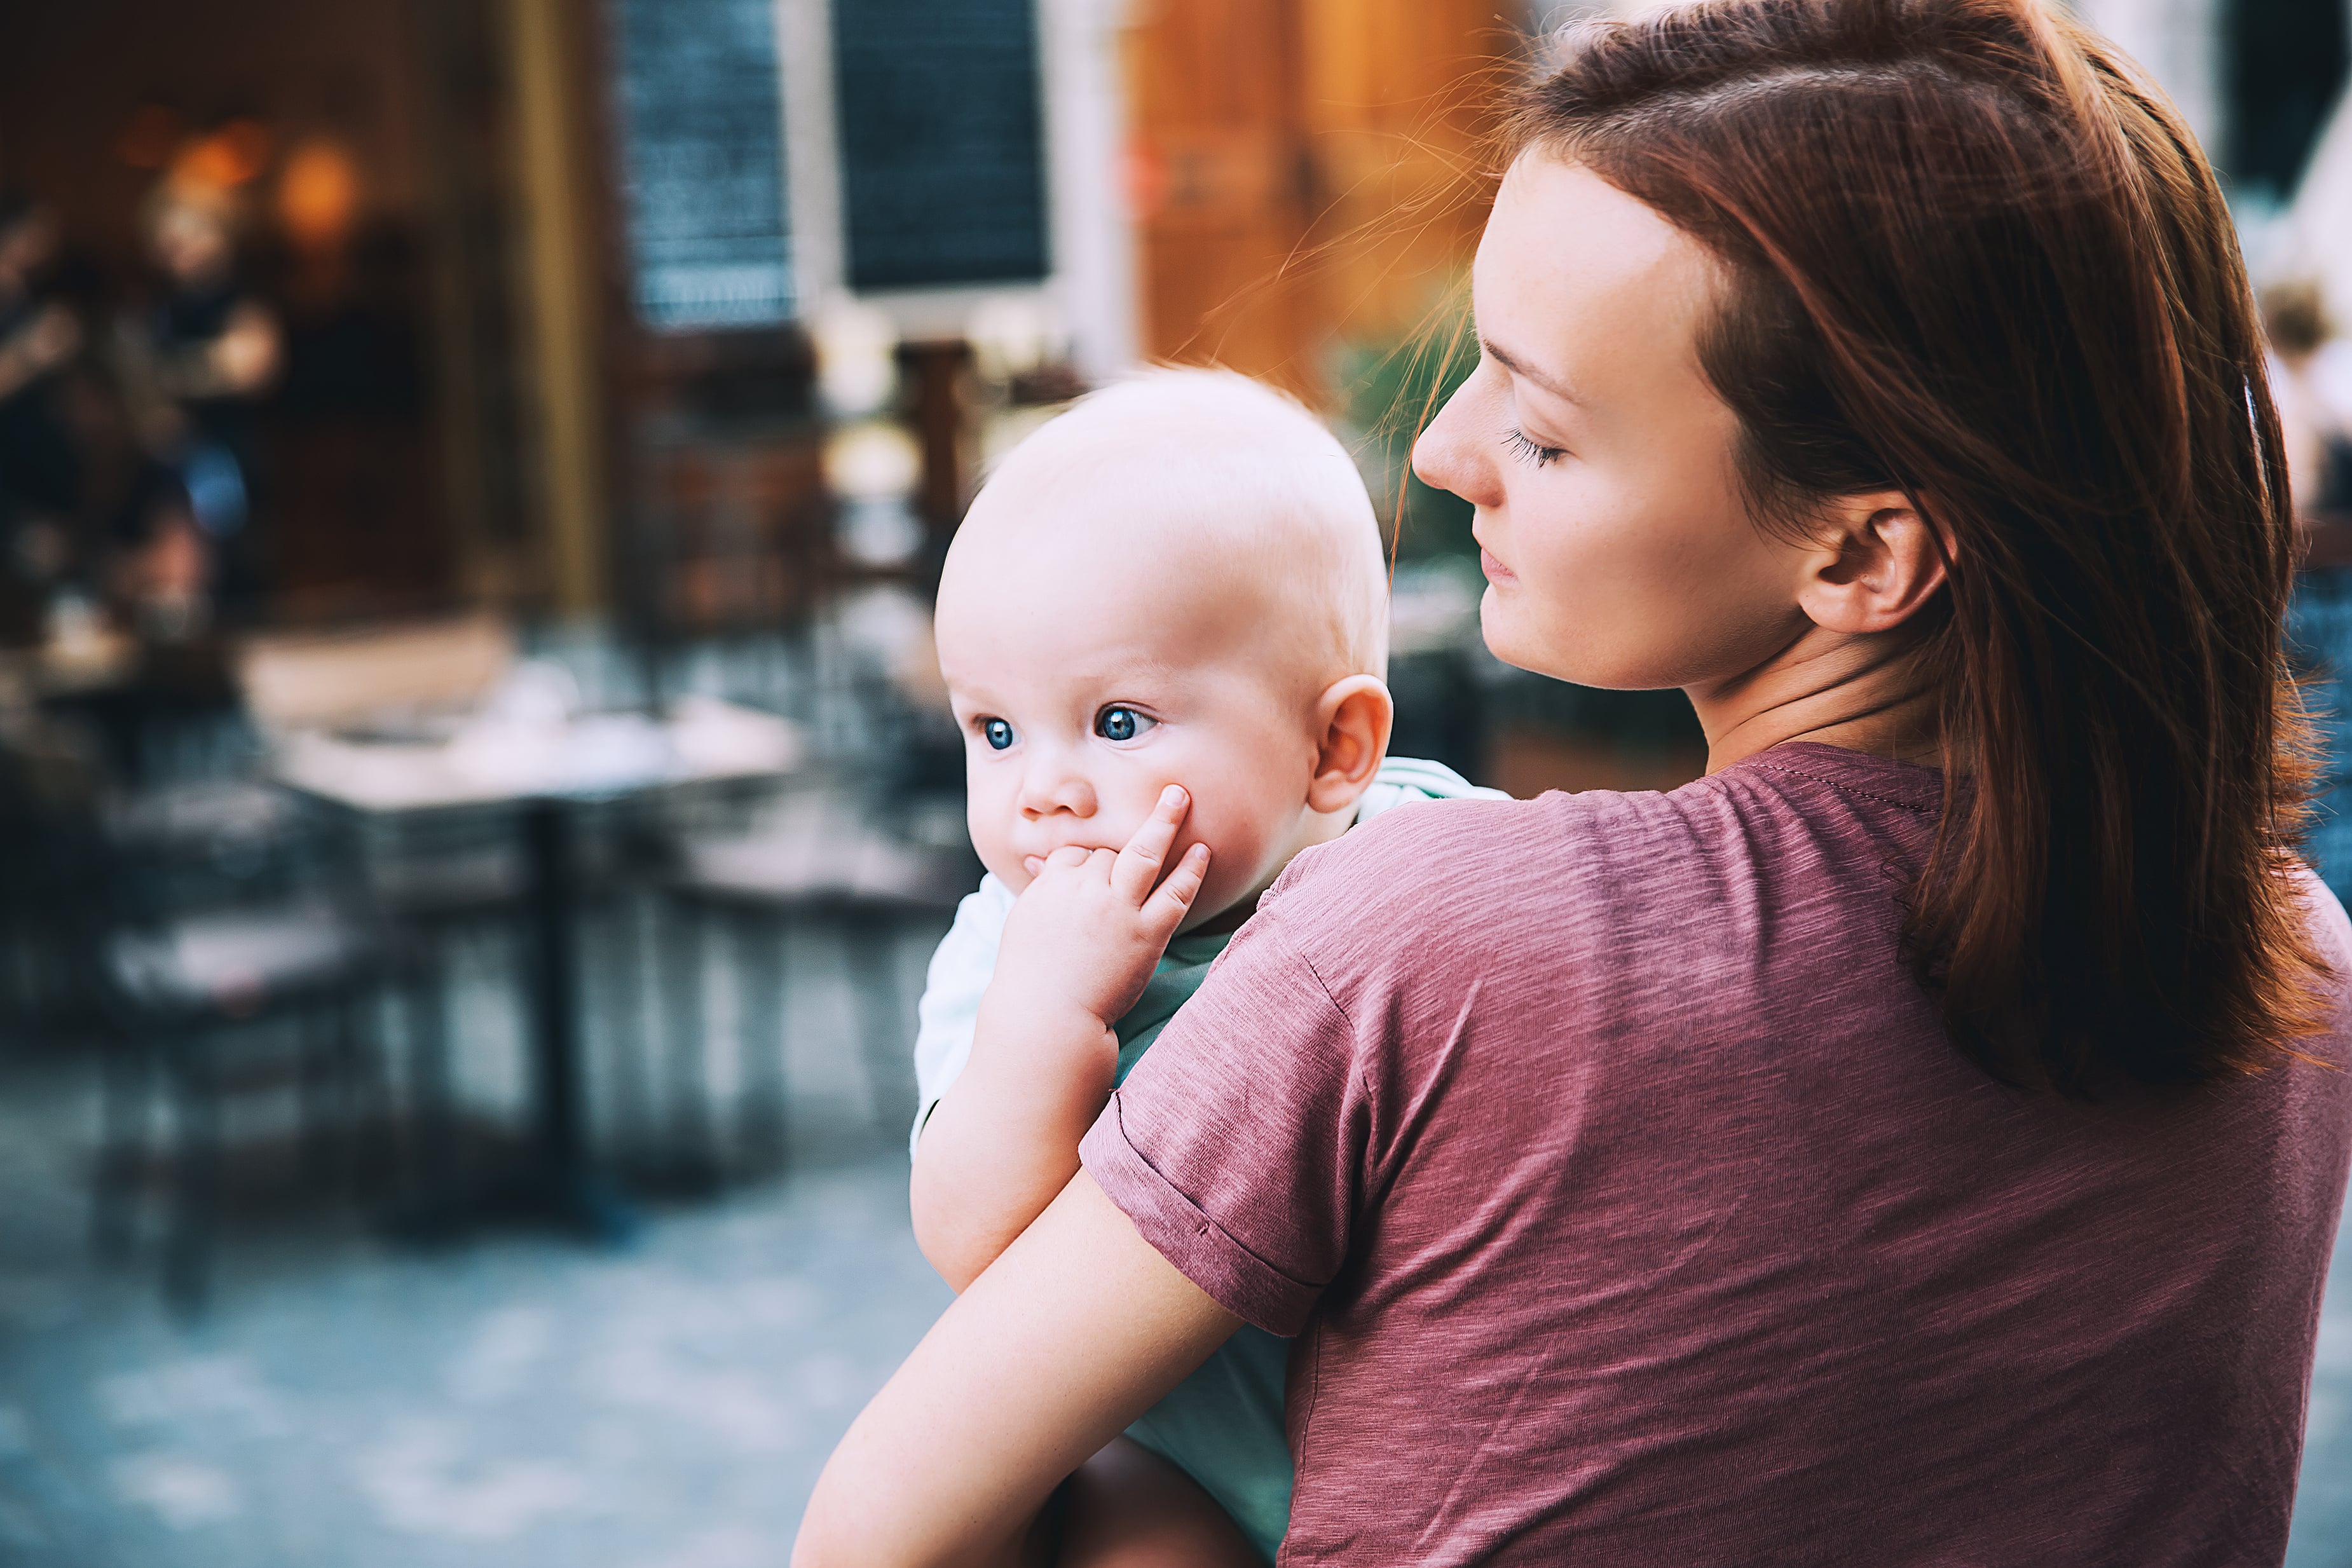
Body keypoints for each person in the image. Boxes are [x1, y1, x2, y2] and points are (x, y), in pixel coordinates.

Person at [796, 1, 2352, 1562]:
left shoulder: (1410, 941)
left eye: (1539, 429)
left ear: (1861, 548)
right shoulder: (2291, 965)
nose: (1442, 454)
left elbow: (876, 1529)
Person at [909, 367, 1502, 1565]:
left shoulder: (1442, 858)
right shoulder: (1009, 948)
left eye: (1117, 722)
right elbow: (975, 1244)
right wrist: (1050, 1016)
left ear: (1336, 748)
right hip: (1176, 1459)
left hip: (1445, 1451)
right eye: (996, 731)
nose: (1043, 791)